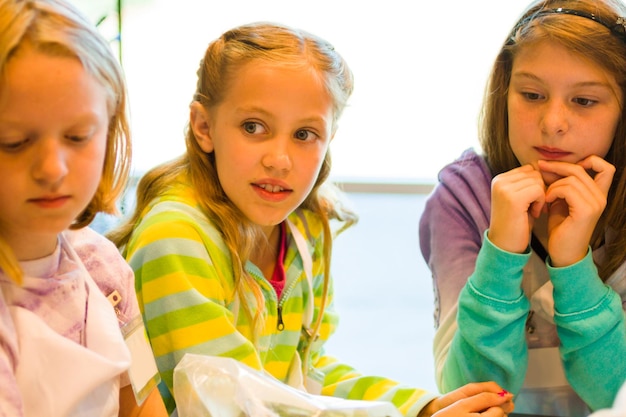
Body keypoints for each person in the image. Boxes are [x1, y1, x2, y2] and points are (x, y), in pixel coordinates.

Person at [108, 21, 515, 417]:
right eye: (254, 127)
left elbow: (307, 377)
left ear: (329, 139)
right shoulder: (175, 239)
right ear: (203, 127)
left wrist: (421, 407)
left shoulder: (302, 230)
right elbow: (231, 403)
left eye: (304, 135)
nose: (279, 160)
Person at [419, 0, 626, 416]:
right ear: (504, 93)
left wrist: (572, 268)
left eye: (584, 101)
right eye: (531, 95)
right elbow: (471, 397)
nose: (552, 122)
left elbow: (616, 394)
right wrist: (502, 254)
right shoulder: (462, 197)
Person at [0, 0, 167, 415]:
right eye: (15, 142)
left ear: (110, 132)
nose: (53, 169)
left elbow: (142, 403)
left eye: (77, 137)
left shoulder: (102, 266)